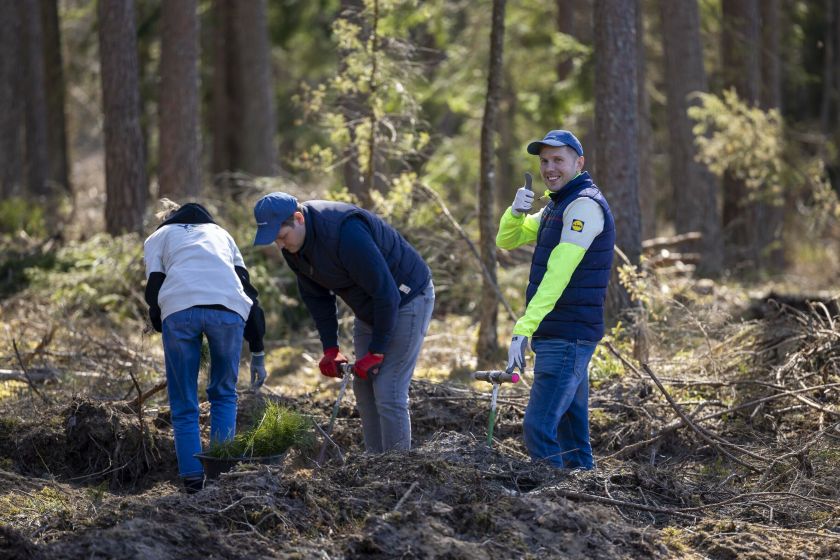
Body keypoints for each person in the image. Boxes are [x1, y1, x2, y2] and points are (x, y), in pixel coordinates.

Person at [252, 192, 434, 453]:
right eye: (274, 240)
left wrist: (377, 351)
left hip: (407, 297)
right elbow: (317, 298)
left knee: (388, 388)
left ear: (298, 218)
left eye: (282, 236)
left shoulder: (345, 233)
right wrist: (331, 348)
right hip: (369, 306)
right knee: (363, 385)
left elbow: (387, 294)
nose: (280, 245)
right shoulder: (294, 249)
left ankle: (397, 467)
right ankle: (375, 462)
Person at [496, 130, 615, 470]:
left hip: (567, 335)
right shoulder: (557, 205)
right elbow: (507, 239)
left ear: (579, 163)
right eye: (544, 161)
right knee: (572, 435)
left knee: (538, 428)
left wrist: (524, 326)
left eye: (558, 160)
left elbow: (558, 275)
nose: (550, 168)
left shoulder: (583, 206)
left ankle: (552, 497)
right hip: (562, 333)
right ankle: (584, 495)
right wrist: (515, 212)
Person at [144, 201, 267, 492]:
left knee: (183, 400)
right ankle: (220, 476)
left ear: (169, 218)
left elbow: (154, 288)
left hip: (179, 309)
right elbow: (248, 292)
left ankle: (193, 481)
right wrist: (258, 351)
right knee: (224, 394)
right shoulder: (222, 235)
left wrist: (160, 322)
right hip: (228, 309)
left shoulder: (159, 237)